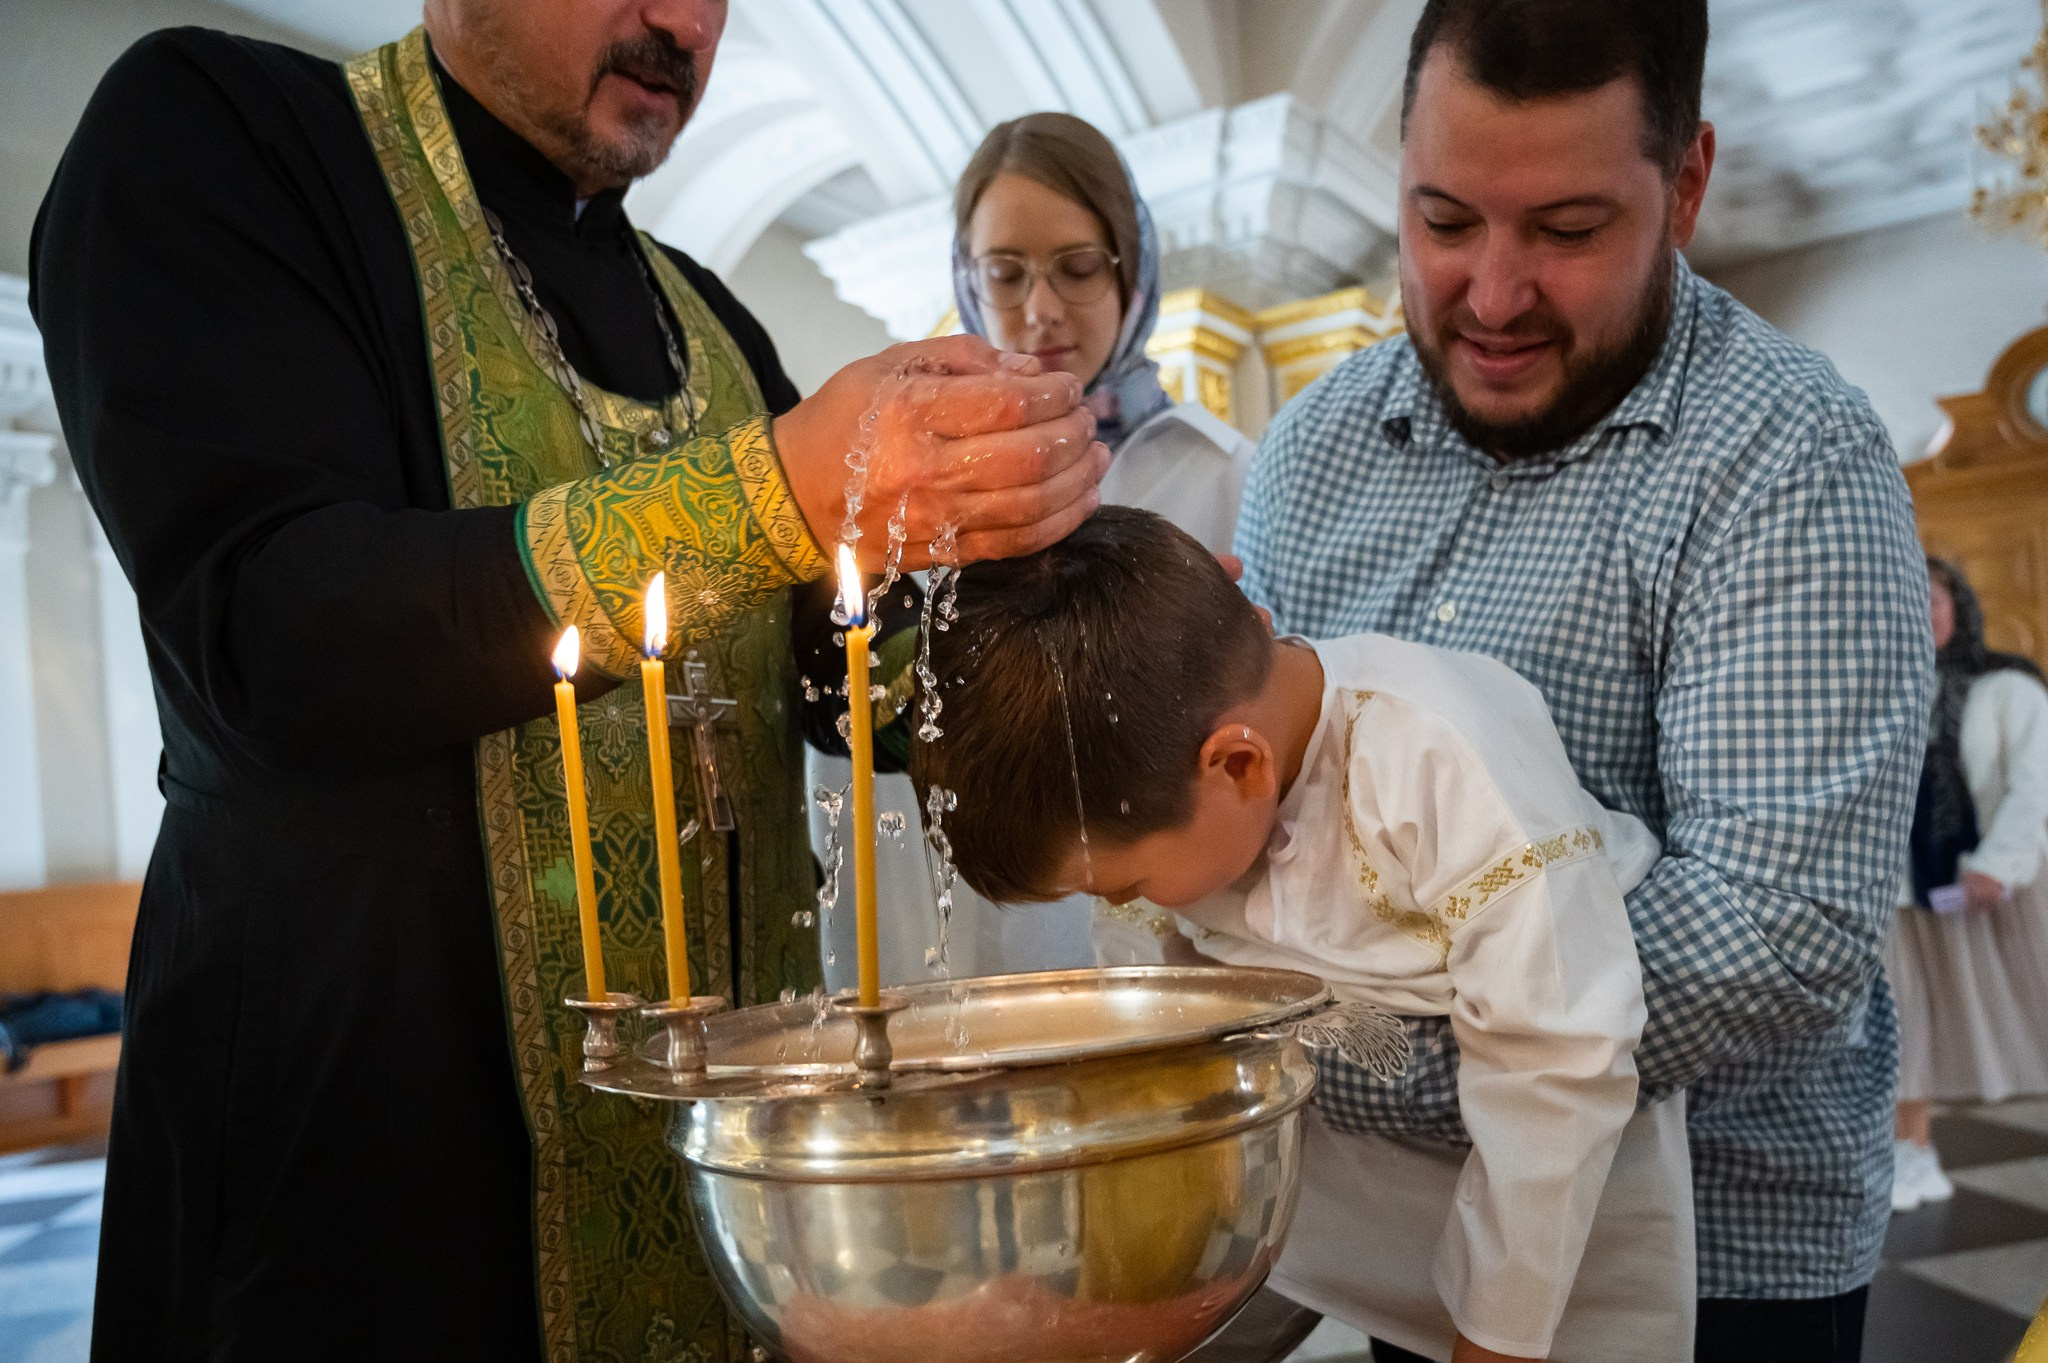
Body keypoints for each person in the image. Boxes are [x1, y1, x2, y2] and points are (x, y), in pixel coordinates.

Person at [29, 1, 1106, 1358]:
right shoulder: (227, 135)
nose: (680, 22)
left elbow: (832, 681)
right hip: (379, 1188)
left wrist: (1079, 625)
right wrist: (773, 488)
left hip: (714, 1190)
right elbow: (264, 631)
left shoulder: (702, 317)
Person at [1226, 2, 1933, 1361]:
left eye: (1567, 231)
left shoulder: (1790, 452)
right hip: (1411, 1236)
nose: (1492, 295)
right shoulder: (1309, 453)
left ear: (1686, 186)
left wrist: (1345, 1045)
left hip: (1721, 1251)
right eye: (1443, 221)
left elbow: (1778, 926)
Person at [911, 506, 1696, 1362]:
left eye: (1129, 884)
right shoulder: (1161, 776)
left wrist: (1498, 1338)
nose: (1130, 903)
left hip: (1549, 1227)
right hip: (1339, 1214)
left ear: (1238, 764)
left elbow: (1555, 1068)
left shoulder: (1435, 764)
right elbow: (1147, 1016)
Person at [803, 111, 1255, 981]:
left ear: (1133, 271)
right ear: (967, 284)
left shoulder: (1219, 472)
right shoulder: (903, 483)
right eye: (1005, 275)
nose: (1040, 310)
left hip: (1153, 945)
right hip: (934, 933)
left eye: (1078, 269)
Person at [1889, 559, 2048, 1211]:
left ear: (1959, 606)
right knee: (1906, 1026)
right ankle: (1912, 1150)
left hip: (1994, 887)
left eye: (1931, 599)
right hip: (1908, 893)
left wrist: (1997, 863)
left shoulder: (2007, 687)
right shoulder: (1884, 689)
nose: (1921, 613)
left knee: (2019, 1021)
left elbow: (2036, 781)